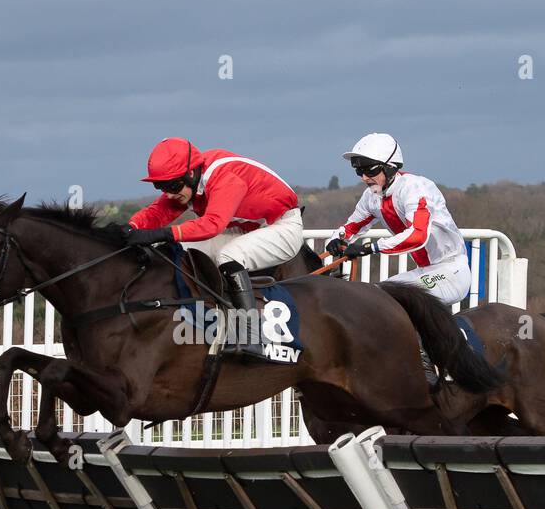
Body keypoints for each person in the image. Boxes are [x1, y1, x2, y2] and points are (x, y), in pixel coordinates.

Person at [124, 137, 304, 359]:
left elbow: (213, 224)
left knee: (230, 255)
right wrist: (130, 227)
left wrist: (161, 233)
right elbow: (157, 213)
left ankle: (251, 335)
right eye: (160, 187)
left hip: (283, 228)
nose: (168, 194)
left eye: (171, 186)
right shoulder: (189, 182)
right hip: (247, 229)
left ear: (191, 174)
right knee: (182, 250)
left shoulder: (225, 177)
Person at [325, 133, 472, 383]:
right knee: (376, 295)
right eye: (359, 171)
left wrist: (371, 248)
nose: (364, 177)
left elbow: (417, 236)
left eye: (370, 170)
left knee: (387, 297)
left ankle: (426, 367)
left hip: (451, 271)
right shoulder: (373, 196)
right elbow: (351, 226)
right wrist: (337, 239)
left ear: (390, 167)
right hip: (427, 270)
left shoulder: (416, 188)